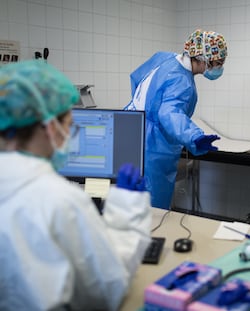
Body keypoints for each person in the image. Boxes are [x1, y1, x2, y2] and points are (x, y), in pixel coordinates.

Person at [0, 60, 152, 310]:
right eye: (70, 126)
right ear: (50, 127)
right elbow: (107, 290)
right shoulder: (59, 200)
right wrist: (128, 212)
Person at [124, 29, 228, 209]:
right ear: (203, 58)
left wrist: (143, 109)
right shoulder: (183, 83)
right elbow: (169, 113)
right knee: (153, 209)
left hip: (129, 129)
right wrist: (194, 136)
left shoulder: (164, 58)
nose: (219, 69)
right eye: (217, 63)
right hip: (153, 146)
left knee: (128, 200)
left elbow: (136, 77)